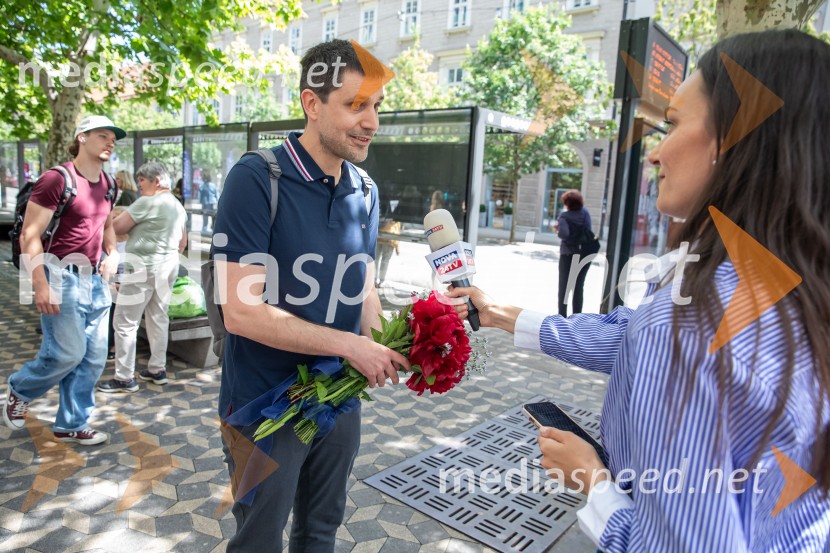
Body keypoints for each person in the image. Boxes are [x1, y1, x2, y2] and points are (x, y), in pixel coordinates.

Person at [447, 30, 830, 551]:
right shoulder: (799, 293)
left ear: (731, 143)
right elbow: (626, 334)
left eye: (671, 125)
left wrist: (594, 483)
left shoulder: (685, 328)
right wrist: (498, 313)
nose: (654, 154)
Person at [214, 39, 410, 552]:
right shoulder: (256, 178)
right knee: (258, 541)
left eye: (376, 106)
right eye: (356, 105)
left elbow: (362, 286)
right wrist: (350, 346)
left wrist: (397, 342)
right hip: (262, 406)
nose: (371, 122)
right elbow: (240, 312)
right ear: (312, 103)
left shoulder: (365, 189)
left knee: (321, 533)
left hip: (338, 400)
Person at [3, 115, 125, 445]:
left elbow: (106, 225)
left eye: (113, 138)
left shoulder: (109, 184)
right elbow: (29, 234)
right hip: (59, 275)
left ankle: (72, 422)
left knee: (93, 358)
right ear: (82, 137)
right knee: (67, 353)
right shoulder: (57, 179)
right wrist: (40, 285)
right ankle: (20, 388)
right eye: (103, 135)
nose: (110, 142)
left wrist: (113, 253)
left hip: (94, 279)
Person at [97, 162, 187, 393]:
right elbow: (183, 242)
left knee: (125, 322)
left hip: (142, 267)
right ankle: (158, 369)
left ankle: (124, 377)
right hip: (169, 266)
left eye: (142, 181)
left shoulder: (147, 202)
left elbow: (116, 228)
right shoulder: (177, 205)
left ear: (156, 181)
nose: (139, 186)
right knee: (158, 318)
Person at [554, 190, 592, 317]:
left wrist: (557, 230)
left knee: (564, 287)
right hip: (584, 254)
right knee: (578, 287)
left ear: (567, 203)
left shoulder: (564, 216)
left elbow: (564, 234)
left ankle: (562, 316)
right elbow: (588, 230)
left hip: (568, 254)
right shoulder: (585, 213)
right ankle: (577, 318)